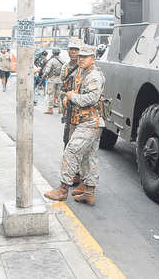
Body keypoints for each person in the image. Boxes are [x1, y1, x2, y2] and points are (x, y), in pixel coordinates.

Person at [44, 44, 105, 206]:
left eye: (85, 56)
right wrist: (67, 97)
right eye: (80, 56)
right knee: (88, 157)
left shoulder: (94, 75)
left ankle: (63, 189)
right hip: (84, 121)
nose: (81, 59)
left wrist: (72, 96)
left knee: (70, 153)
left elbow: (91, 98)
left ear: (93, 59)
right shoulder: (81, 72)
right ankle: (89, 193)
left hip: (91, 122)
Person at [43, 48, 65, 114]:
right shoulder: (63, 61)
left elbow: (47, 70)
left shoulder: (51, 61)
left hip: (52, 80)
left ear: (53, 53)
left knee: (51, 94)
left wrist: (45, 75)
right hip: (60, 80)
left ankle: (50, 109)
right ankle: (60, 109)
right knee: (60, 94)